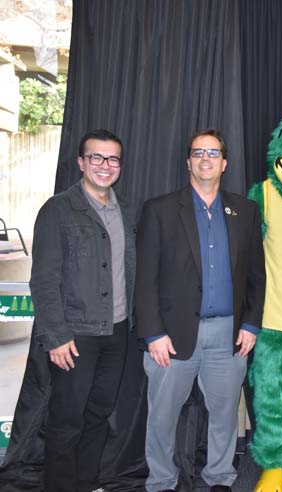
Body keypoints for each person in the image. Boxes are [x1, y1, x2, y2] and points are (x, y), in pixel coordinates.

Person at [135, 128, 266, 492]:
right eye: (198, 153)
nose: (206, 158)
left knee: (224, 416)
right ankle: (161, 481)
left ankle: (220, 479)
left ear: (224, 163)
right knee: (162, 417)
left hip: (228, 334)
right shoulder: (159, 210)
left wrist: (251, 324)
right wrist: (152, 334)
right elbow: (144, 279)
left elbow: (257, 274)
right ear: (188, 161)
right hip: (171, 336)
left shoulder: (245, 210)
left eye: (213, 153)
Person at [29, 129, 135, 492]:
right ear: (81, 162)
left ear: (120, 164)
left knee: (99, 415)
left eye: (112, 159)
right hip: (75, 336)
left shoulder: (125, 210)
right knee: (66, 421)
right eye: (96, 157)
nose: (105, 166)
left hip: (117, 331)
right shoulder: (58, 209)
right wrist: (56, 337)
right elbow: (43, 281)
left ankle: (87, 483)